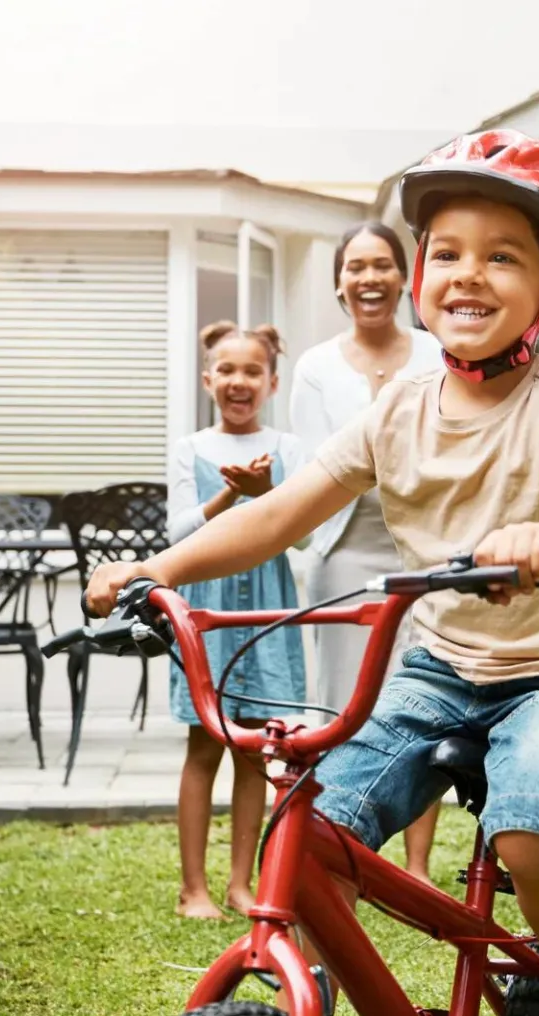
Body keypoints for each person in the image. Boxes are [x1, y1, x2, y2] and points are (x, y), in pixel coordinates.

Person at [89, 130, 539, 1016]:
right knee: (313, 832)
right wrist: (161, 566)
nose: (465, 274)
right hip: (437, 672)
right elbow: (279, 513)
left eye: (502, 256)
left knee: (529, 823)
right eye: (445, 253)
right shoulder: (398, 404)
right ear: (416, 277)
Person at [288, 221, 446, 882]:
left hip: (427, 553)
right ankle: (341, 849)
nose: (369, 279)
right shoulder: (316, 367)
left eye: (382, 265)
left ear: (404, 278)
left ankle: (414, 864)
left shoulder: (438, 354)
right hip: (345, 551)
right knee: (343, 707)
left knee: (426, 698)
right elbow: (312, 468)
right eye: (356, 267)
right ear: (339, 283)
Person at [164, 321, 309, 919]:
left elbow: (302, 535)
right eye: (226, 370)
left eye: (252, 371)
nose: (238, 381)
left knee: (257, 752)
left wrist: (269, 489)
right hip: (210, 613)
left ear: (271, 382)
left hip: (266, 614)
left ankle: (240, 884)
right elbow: (173, 535)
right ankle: (192, 887)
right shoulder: (190, 449)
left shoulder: (289, 448)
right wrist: (230, 496)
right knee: (205, 746)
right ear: (207, 380)